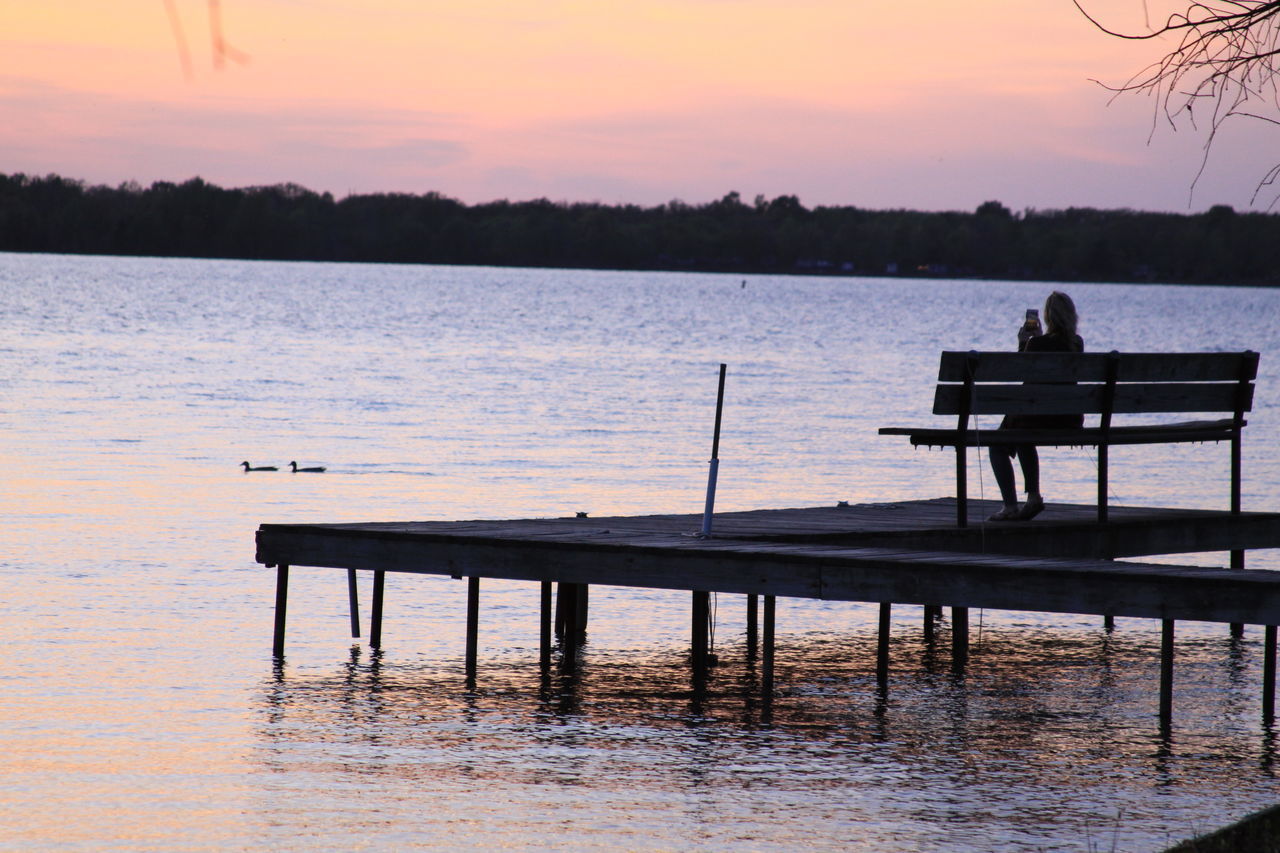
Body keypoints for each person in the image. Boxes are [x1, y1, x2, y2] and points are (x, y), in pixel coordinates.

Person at [987, 290, 1083, 522]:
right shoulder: (1077, 344)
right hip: (1068, 419)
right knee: (1020, 428)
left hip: (1036, 417)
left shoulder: (1036, 343)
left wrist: (1024, 343)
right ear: (1072, 316)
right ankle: (1031, 498)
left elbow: (1023, 378)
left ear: (1047, 317)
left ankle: (1012, 505)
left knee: (999, 441)